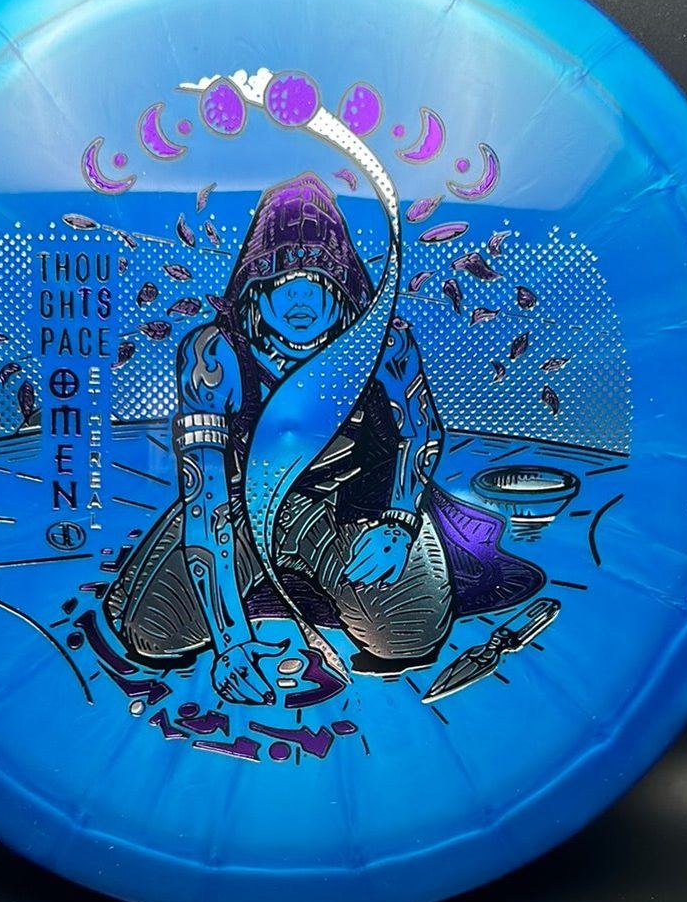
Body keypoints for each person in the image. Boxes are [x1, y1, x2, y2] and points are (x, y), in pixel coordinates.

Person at [104, 173, 544, 705]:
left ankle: (326, 579)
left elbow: (420, 432)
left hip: (354, 511)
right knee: (153, 635)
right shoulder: (214, 355)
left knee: (409, 636)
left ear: (344, 285)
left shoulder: (385, 343)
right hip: (243, 511)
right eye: (281, 278)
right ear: (254, 285)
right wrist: (231, 640)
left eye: (318, 278)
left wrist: (399, 522)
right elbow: (207, 499)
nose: (300, 296)